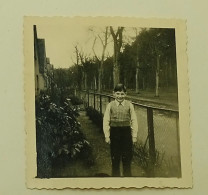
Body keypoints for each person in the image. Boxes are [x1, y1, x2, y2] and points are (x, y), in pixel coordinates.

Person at [103, 83, 138, 177]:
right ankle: (116, 179)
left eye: (122, 94)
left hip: (126, 133)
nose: (120, 96)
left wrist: (134, 136)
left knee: (127, 158)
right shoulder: (110, 105)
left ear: (125, 94)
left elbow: (134, 120)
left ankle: (127, 180)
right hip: (114, 134)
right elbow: (106, 121)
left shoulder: (129, 105)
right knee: (115, 158)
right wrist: (107, 136)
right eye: (118, 94)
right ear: (113, 94)